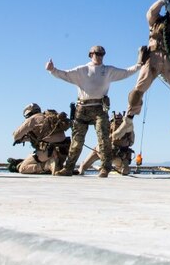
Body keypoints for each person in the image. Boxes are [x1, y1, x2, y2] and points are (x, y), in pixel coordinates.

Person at [46, 45, 139, 177]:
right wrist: (52, 70)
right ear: (90, 55)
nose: (99, 56)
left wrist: (139, 65)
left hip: (99, 108)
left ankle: (105, 168)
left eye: (102, 54)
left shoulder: (108, 71)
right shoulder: (82, 70)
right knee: (77, 141)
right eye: (96, 53)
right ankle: (68, 168)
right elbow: (65, 74)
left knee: (104, 139)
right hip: (82, 109)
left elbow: (126, 72)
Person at [114, 0, 170, 145]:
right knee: (139, 88)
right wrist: (163, 0)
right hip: (153, 57)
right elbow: (150, 12)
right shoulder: (156, 21)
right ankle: (128, 120)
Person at [11, 103, 70, 175]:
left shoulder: (32, 119)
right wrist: (25, 139)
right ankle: (55, 164)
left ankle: (48, 165)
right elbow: (45, 136)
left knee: (23, 168)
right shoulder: (50, 117)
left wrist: (19, 139)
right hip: (63, 150)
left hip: (48, 151)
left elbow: (15, 136)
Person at [82, 111, 134, 176]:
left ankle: (104, 168)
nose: (118, 122)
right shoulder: (126, 128)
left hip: (118, 155)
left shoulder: (127, 129)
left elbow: (131, 142)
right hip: (106, 152)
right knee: (84, 166)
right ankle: (101, 168)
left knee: (125, 171)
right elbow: (131, 142)